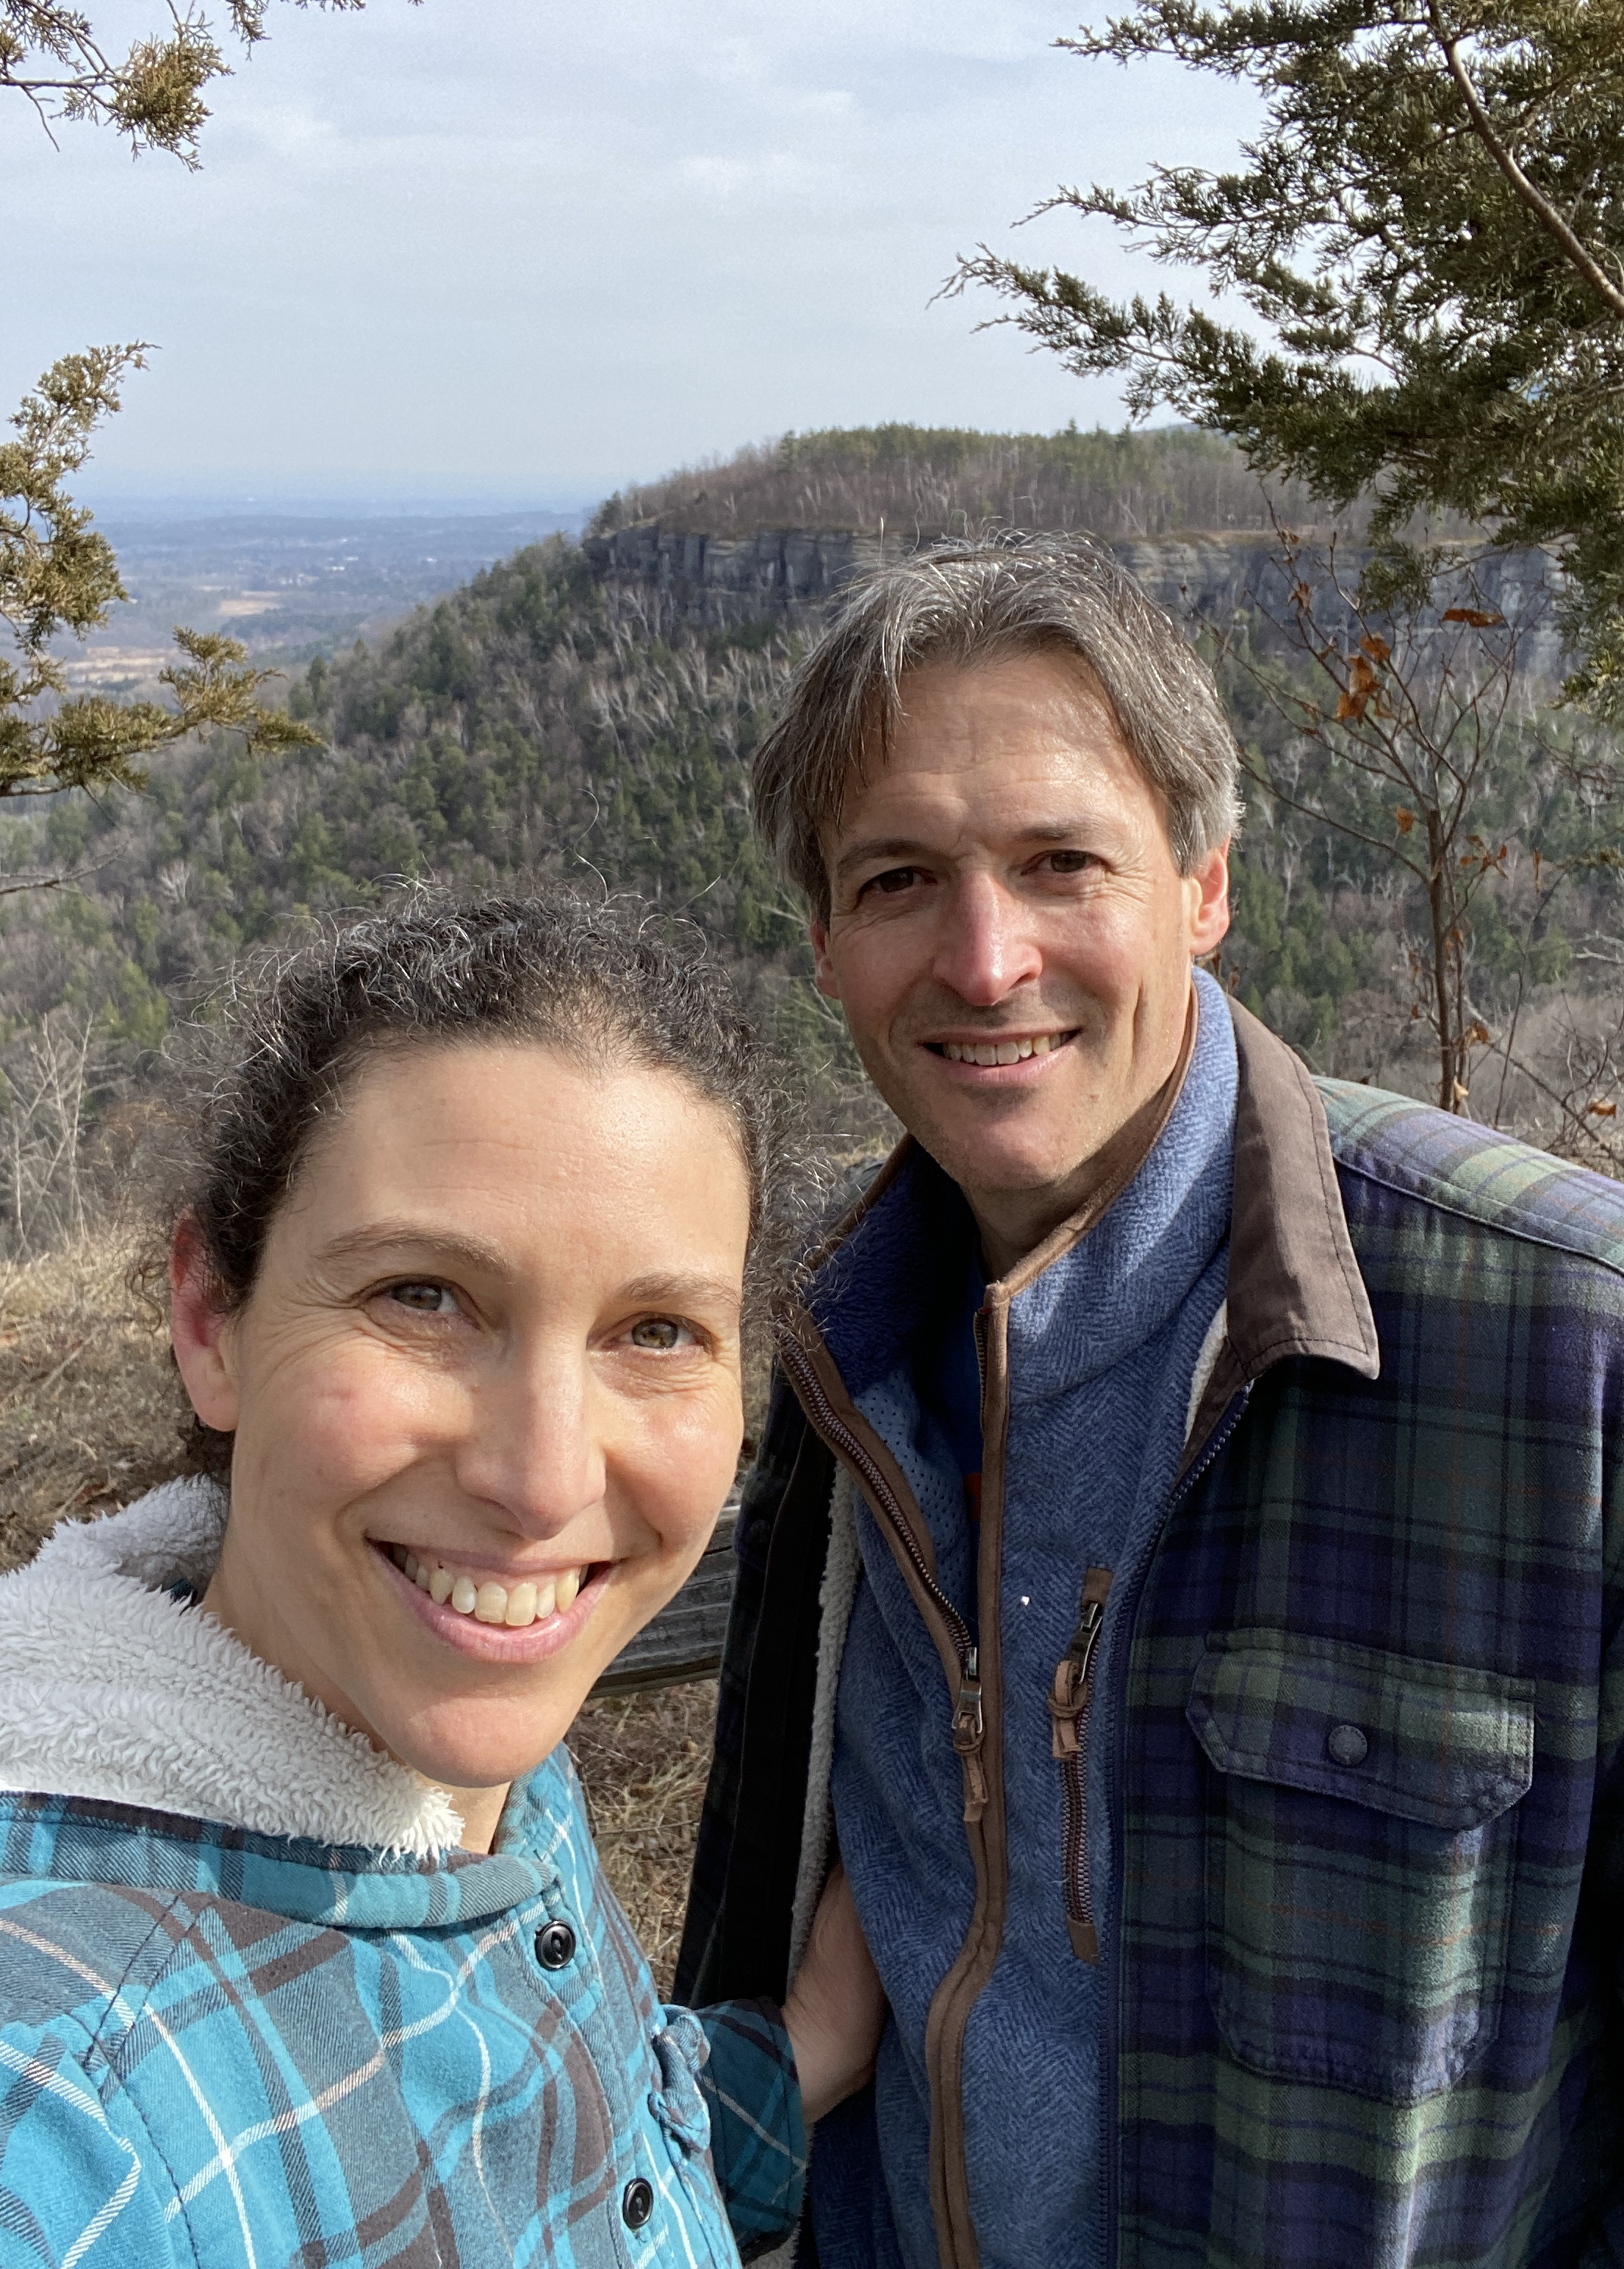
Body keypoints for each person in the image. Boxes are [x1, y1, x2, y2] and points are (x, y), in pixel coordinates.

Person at [677, 539, 1624, 2268]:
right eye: (899, 879)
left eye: (1062, 863)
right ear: (823, 937)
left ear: (1203, 884)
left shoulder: (1563, 1345)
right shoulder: (844, 1341)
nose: (983, 957)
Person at [0, 893, 883, 2269]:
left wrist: (797, 2062)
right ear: (212, 1323)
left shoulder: (451, 1770)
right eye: (422, 1297)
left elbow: (543, 2117)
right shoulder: (27, 2094)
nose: (544, 1481)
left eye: (657, 1329)